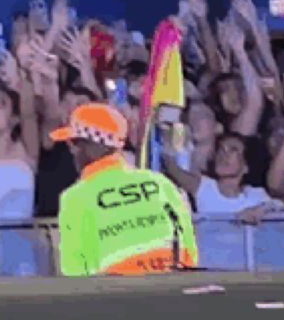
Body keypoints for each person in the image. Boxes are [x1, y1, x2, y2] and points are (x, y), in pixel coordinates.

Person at [52, 103, 198, 276]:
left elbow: (74, 272)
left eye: (74, 144)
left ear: (93, 147)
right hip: (174, 290)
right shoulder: (160, 182)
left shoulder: (75, 198)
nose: (72, 151)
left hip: (116, 297)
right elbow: (190, 249)